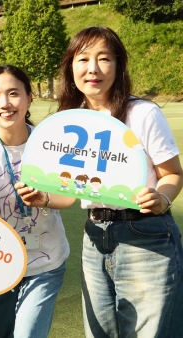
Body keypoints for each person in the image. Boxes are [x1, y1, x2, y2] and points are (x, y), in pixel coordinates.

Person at [54, 26, 183, 337]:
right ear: (71, 67)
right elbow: (69, 189)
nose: (93, 69)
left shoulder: (142, 113)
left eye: (104, 59)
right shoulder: (70, 119)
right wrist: (42, 197)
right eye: (83, 59)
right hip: (94, 236)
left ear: (119, 66)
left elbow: (173, 175)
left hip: (146, 236)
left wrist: (162, 198)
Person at [0, 65, 75, 338]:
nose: (4, 104)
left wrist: (44, 198)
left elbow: (68, 195)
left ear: (29, 98)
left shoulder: (50, 142)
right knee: (0, 331)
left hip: (45, 262)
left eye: (13, 94)